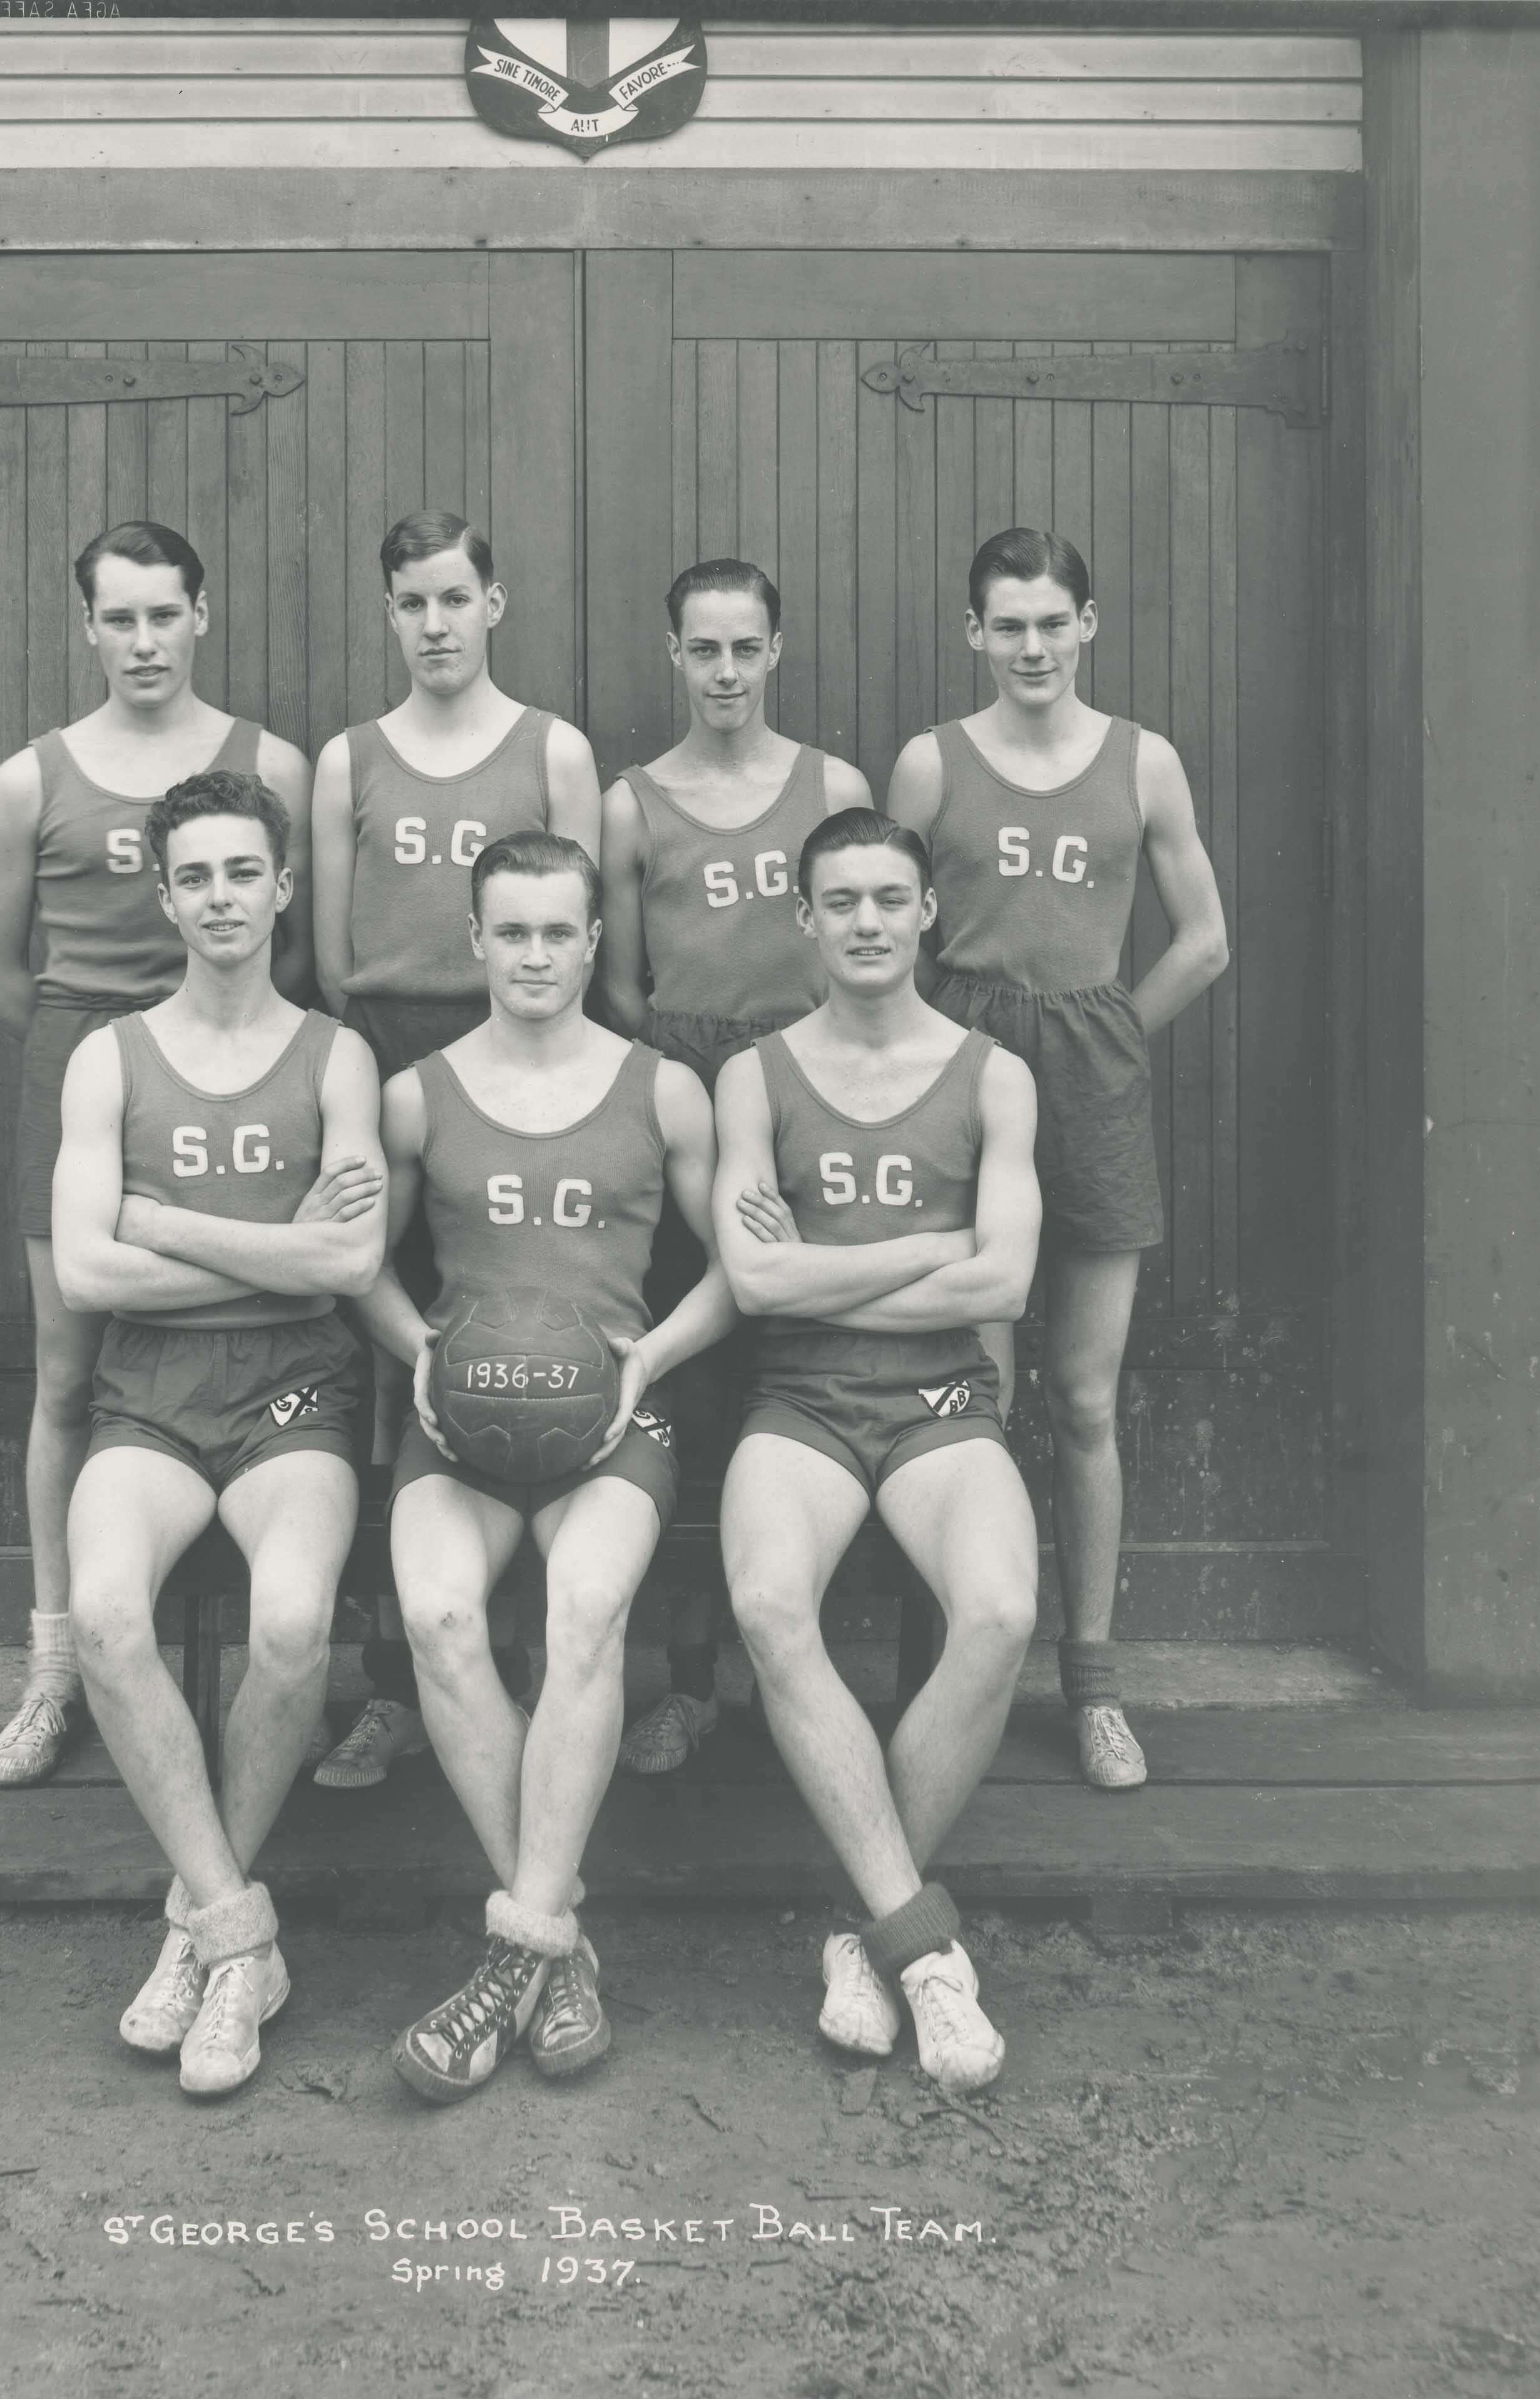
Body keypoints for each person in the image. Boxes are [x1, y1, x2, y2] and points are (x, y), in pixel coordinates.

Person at [359, 831, 733, 2100]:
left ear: (591, 942)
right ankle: (556, 1942)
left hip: (614, 1429)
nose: (532, 954)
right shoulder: (415, 1096)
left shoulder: (663, 1090)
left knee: (584, 1610)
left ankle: (503, 1961)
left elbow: (745, 1266)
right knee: (439, 1615)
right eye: (508, 931)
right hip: (457, 1427)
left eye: (555, 932)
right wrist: (414, 1347)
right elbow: (355, 1258)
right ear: (475, 940)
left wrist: (653, 1357)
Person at [0, 521, 314, 1787]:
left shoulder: (266, 759)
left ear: (201, 617)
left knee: (262, 1319)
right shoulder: (31, 778)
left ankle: (314, 1661)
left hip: (235, 1072)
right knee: (67, 1376)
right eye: (120, 619)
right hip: (82, 1070)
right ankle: (56, 1659)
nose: (144, 641)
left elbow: (294, 940)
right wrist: (105, 1056)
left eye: (165, 615)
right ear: (88, 629)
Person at [52, 770, 385, 2097]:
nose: (221, 898)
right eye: (194, 876)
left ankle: (197, 1930)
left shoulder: (335, 1055)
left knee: (295, 1626)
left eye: (243, 871)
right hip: (148, 1399)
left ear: (282, 885)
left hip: (295, 1396)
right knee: (105, 1616)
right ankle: (233, 1930)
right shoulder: (108, 1056)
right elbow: (86, 1274)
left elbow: (347, 1267)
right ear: (165, 895)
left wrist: (165, 1220)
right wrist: (281, 1248)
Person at [886, 528, 1229, 1791]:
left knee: (1082, 1396)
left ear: (1086, 626)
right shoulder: (930, 765)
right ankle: (952, 1674)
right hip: (965, 1078)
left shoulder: (1143, 763)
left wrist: (1106, 1033)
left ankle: (1090, 1685)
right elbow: (889, 935)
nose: (1030, 647)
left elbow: (1202, 940)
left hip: (1088, 1079)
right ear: (973, 635)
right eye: (1006, 626)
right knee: (969, 1403)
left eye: (1051, 622)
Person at [714, 808, 1041, 2091]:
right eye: (838, 900)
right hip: (796, 1403)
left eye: (886, 898)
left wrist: (818, 1269)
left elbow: (1003, 1285)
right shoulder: (754, 1075)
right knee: (762, 1602)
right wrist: (924, 1251)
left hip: (939, 1404)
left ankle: (872, 1934)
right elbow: (751, 1287)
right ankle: (926, 1953)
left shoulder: (990, 1073)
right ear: (804, 919)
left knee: (1003, 1610)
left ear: (925, 916)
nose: (863, 921)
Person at [307, 510, 603, 1789]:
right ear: (389, 614)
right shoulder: (349, 758)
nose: (432, 624)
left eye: (452, 599)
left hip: (523, 1057)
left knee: (532, 1339)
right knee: (391, 1370)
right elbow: (324, 953)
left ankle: (532, 1659)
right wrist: (377, 1068)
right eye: (409, 604)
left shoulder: (555, 749)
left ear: (495, 603)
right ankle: (392, 1681)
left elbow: (578, 926)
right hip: (392, 1054)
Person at [599, 557, 872, 1775]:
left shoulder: (830, 787)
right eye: (701, 650)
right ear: (673, 654)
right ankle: (693, 1679)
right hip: (680, 1104)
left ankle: (803, 1670)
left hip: (806, 1109)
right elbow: (619, 983)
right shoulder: (632, 801)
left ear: (775, 650)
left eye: (742, 649)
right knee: (691, 1397)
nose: (722, 672)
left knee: (811, 1383)